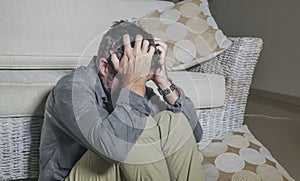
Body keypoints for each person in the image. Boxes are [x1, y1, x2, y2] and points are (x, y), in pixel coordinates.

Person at [39, 20, 205, 181]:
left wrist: (163, 80)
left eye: (143, 78)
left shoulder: (137, 89)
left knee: (171, 121)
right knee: (136, 129)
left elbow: (193, 134)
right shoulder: (71, 89)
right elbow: (114, 148)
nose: (141, 84)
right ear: (105, 67)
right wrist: (134, 82)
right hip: (74, 176)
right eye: (133, 75)